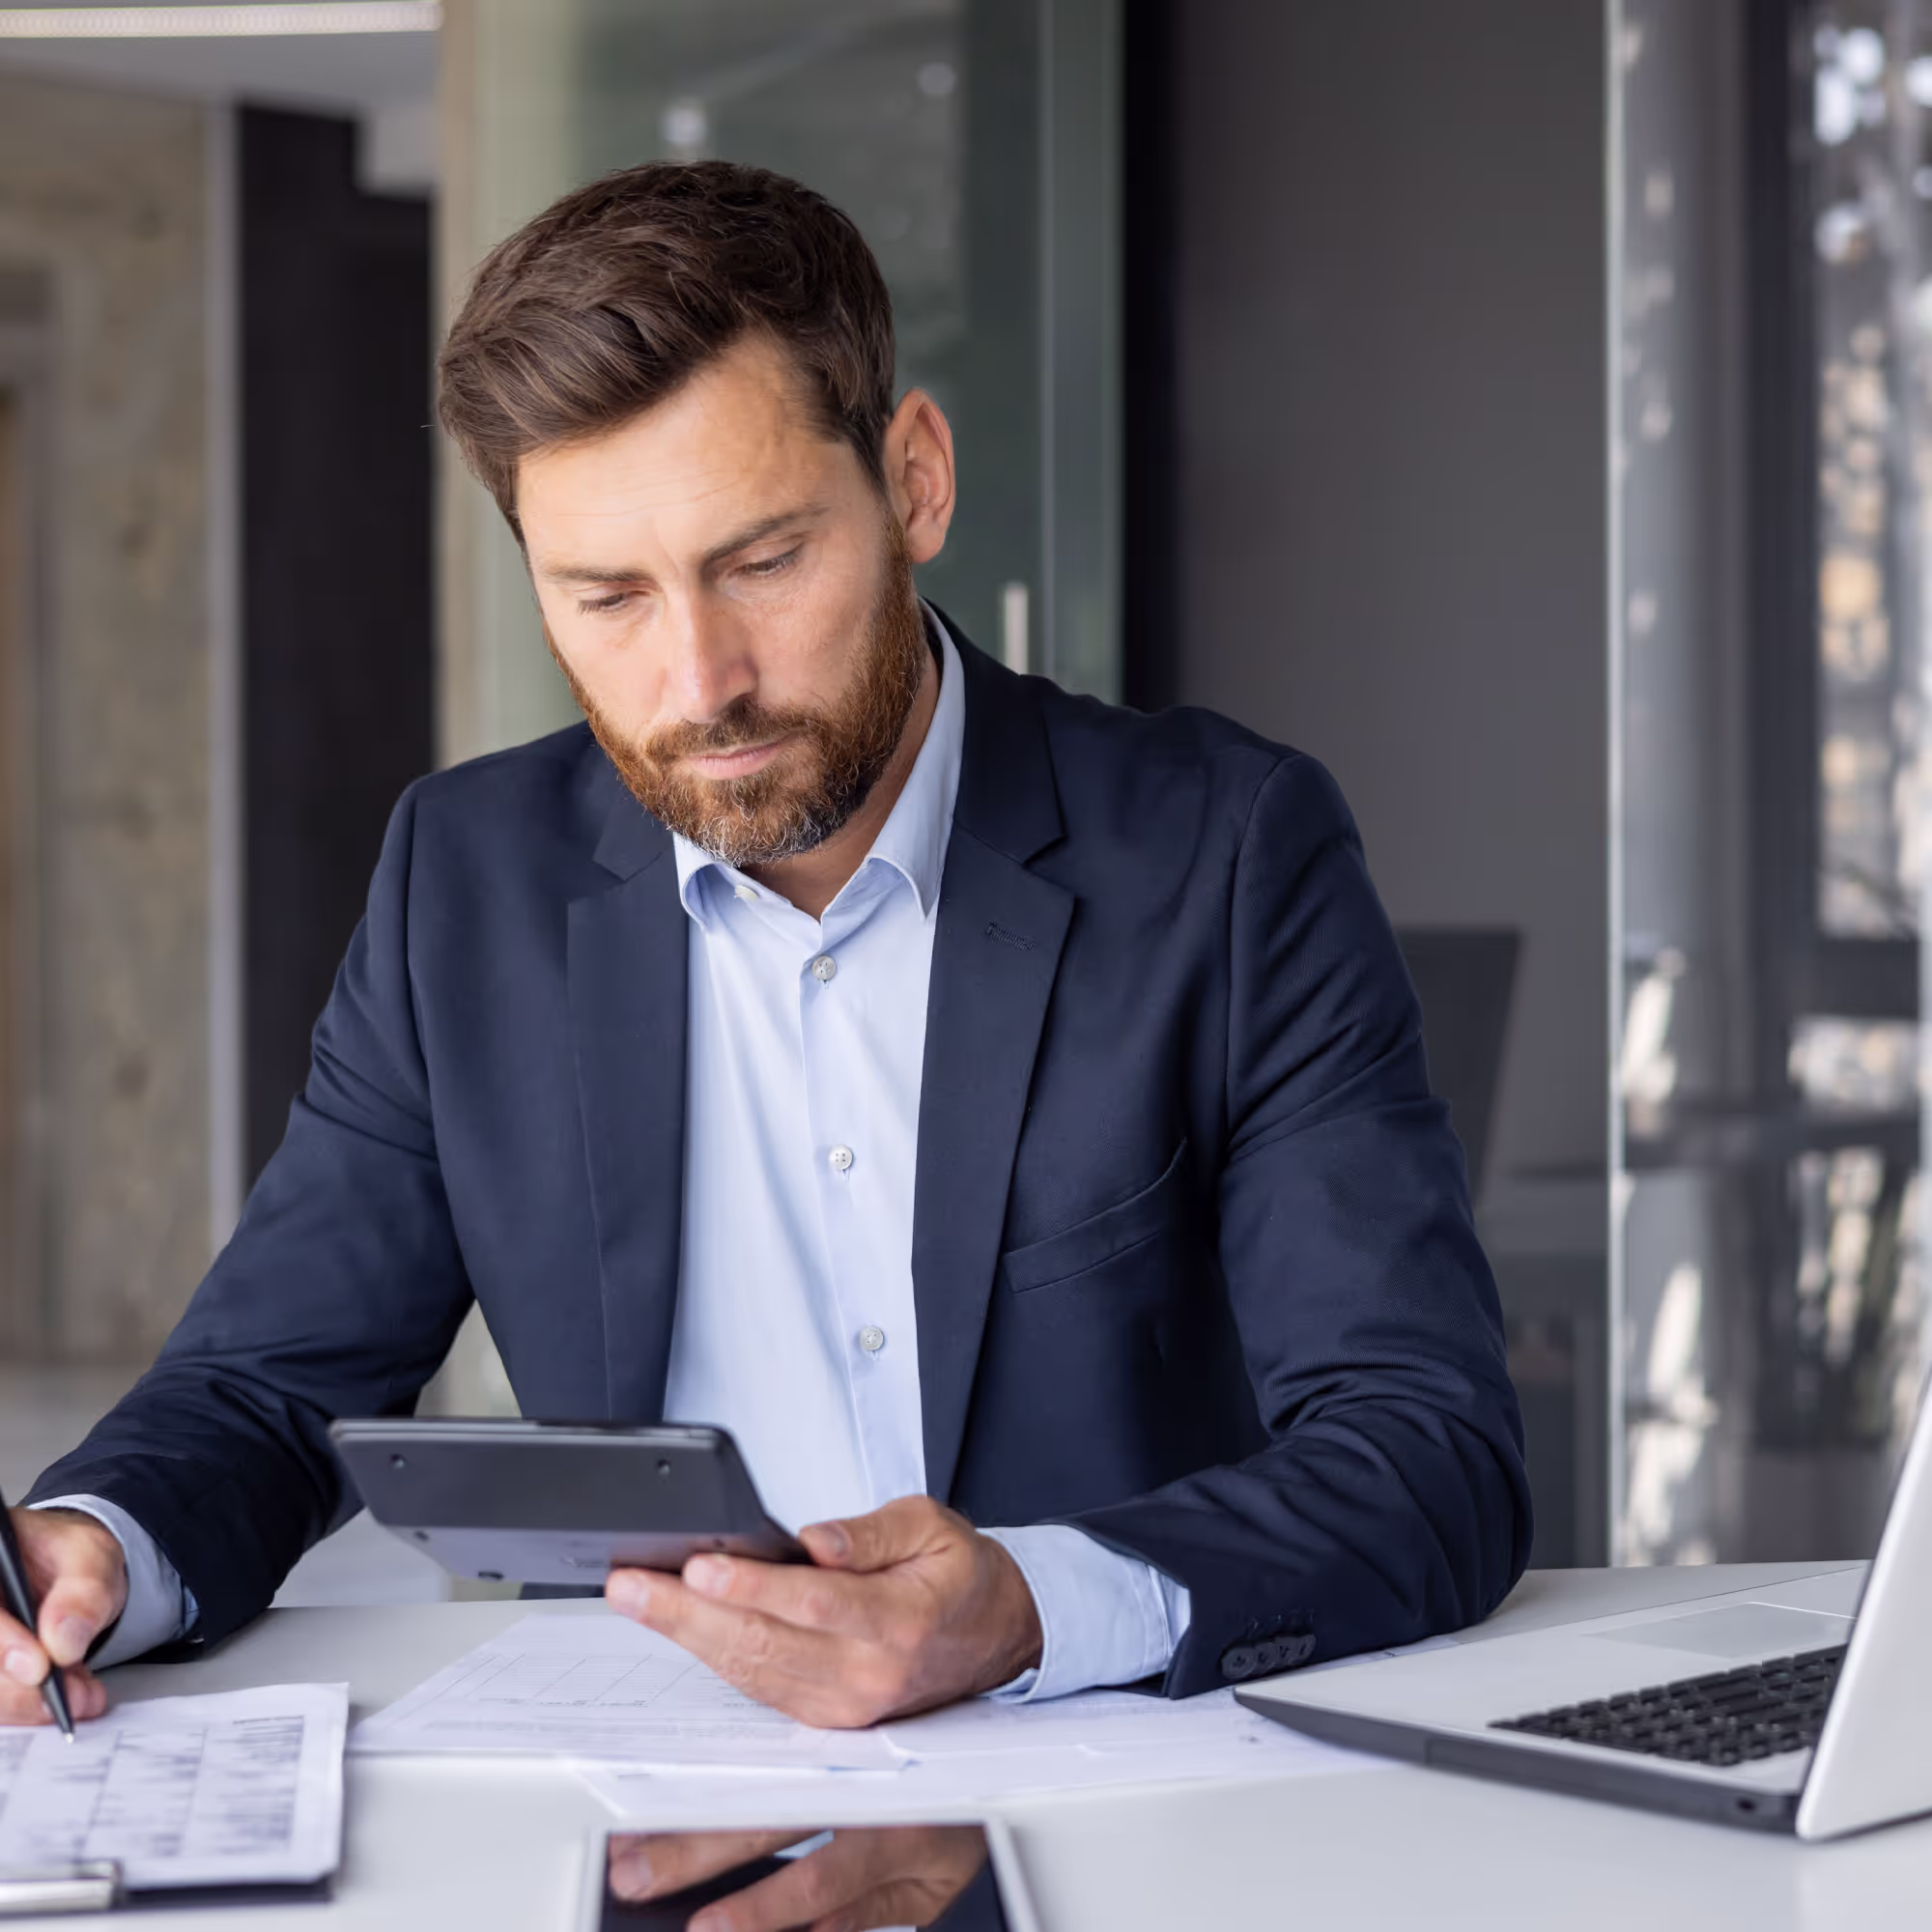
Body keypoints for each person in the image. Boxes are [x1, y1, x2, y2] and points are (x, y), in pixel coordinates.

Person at [0, 161, 1530, 1740]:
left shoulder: (1224, 852)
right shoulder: (464, 884)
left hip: (1113, 1761)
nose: (699, 681)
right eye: (606, 596)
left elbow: (1428, 1450)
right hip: (647, 1780)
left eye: (762, 562)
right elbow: (264, 1385)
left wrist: (1021, 1609)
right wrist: (95, 1543)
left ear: (916, 480)